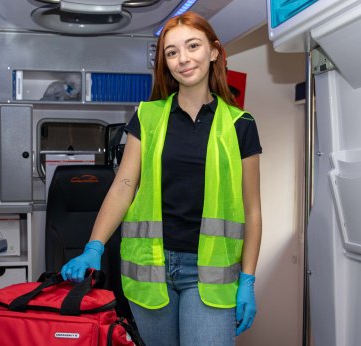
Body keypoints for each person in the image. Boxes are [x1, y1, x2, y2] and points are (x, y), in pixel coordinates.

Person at [61, 11, 262, 346]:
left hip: (209, 273)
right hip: (149, 267)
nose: (183, 58)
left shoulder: (240, 124)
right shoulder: (147, 116)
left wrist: (248, 279)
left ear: (214, 52)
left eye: (192, 46)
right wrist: (94, 246)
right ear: (165, 63)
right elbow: (124, 186)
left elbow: (252, 209)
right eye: (171, 52)